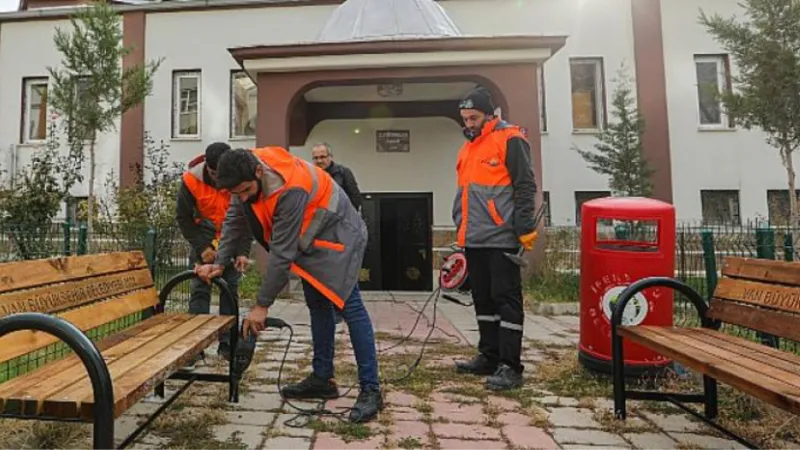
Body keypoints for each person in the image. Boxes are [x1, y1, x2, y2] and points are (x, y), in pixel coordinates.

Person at [194, 146, 384, 423]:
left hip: (339, 237)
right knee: (317, 305)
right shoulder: (242, 170)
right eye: (237, 194)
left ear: (258, 172)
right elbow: (236, 220)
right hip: (312, 239)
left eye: (246, 191)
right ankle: (322, 378)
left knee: (350, 307)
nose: (243, 198)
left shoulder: (289, 189)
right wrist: (220, 262)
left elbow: (282, 254)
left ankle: (371, 389)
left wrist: (262, 305)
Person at [451, 87, 538, 391]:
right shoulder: (468, 148)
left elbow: (525, 185)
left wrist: (524, 226)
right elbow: (464, 194)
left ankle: (511, 365)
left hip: (501, 237)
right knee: (483, 299)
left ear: (489, 114)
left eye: (474, 117)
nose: (469, 123)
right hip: (474, 237)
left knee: (506, 300)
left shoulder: (510, 138)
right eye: (464, 118)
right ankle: (488, 356)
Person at [176, 142, 250, 367]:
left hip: (232, 239)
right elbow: (184, 219)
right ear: (207, 167)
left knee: (230, 292)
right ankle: (195, 348)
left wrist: (242, 252)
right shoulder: (191, 181)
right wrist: (202, 248)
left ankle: (227, 345)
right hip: (204, 239)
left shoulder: (237, 177)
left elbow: (245, 218)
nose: (219, 179)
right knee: (199, 292)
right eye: (215, 174)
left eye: (223, 174)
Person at [310, 142, 362, 212]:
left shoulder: (343, 172)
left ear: (330, 157)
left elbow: (355, 197)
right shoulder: (310, 174)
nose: (319, 160)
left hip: (341, 217)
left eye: (322, 157)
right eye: (316, 158)